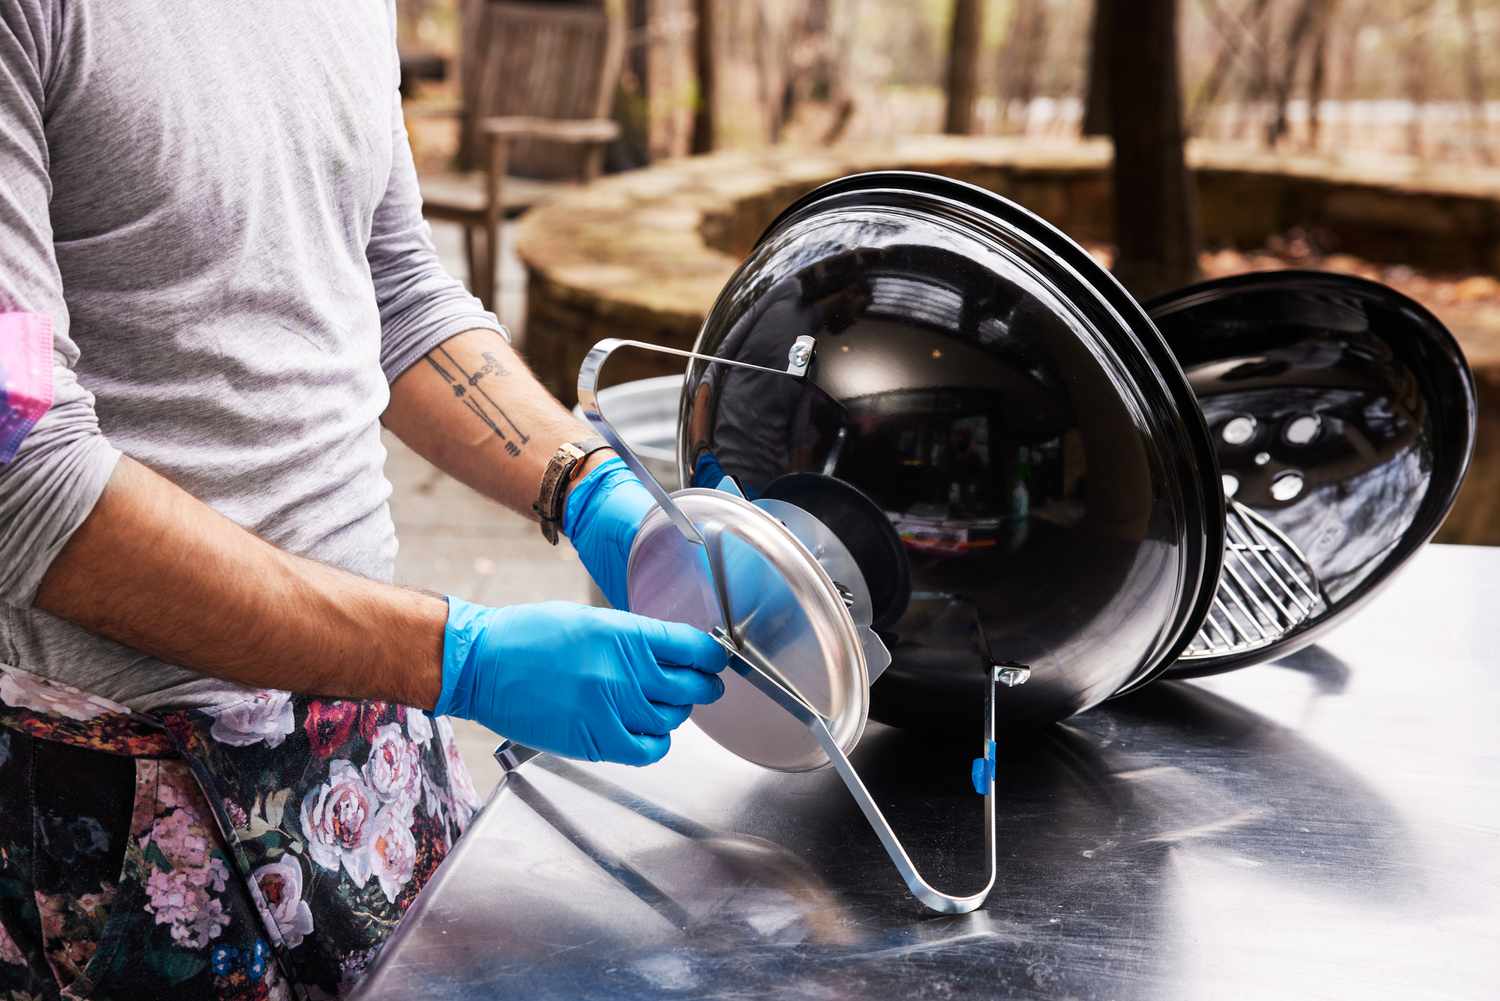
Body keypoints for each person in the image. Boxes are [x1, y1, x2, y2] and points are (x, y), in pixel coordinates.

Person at [0, 3, 727, 998]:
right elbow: (21, 469)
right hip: (126, 813)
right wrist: (460, 654)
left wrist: (597, 489)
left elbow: (396, 292)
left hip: (380, 739)